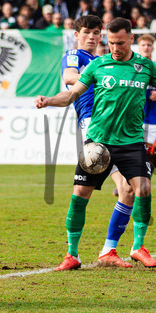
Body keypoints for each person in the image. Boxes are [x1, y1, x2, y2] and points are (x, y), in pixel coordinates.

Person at [36, 18, 156, 270]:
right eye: (110, 43)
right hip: (98, 143)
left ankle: (137, 247)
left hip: (131, 142)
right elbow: (71, 94)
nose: (115, 48)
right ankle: (72, 254)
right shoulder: (98, 65)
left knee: (142, 188)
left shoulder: (146, 67)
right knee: (80, 194)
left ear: (131, 39)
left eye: (120, 43)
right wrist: (49, 100)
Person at [52, 14, 133, 270]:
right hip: (93, 128)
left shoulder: (104, 61)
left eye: (97, 32)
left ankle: (108, 249)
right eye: (87, 31)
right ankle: (72, 253)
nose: (92, 36)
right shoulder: (76, 56)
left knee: (128, 190)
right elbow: (69, 77)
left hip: (115, 130)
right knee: (83, 192)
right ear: (76, 35)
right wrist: (99, 79)